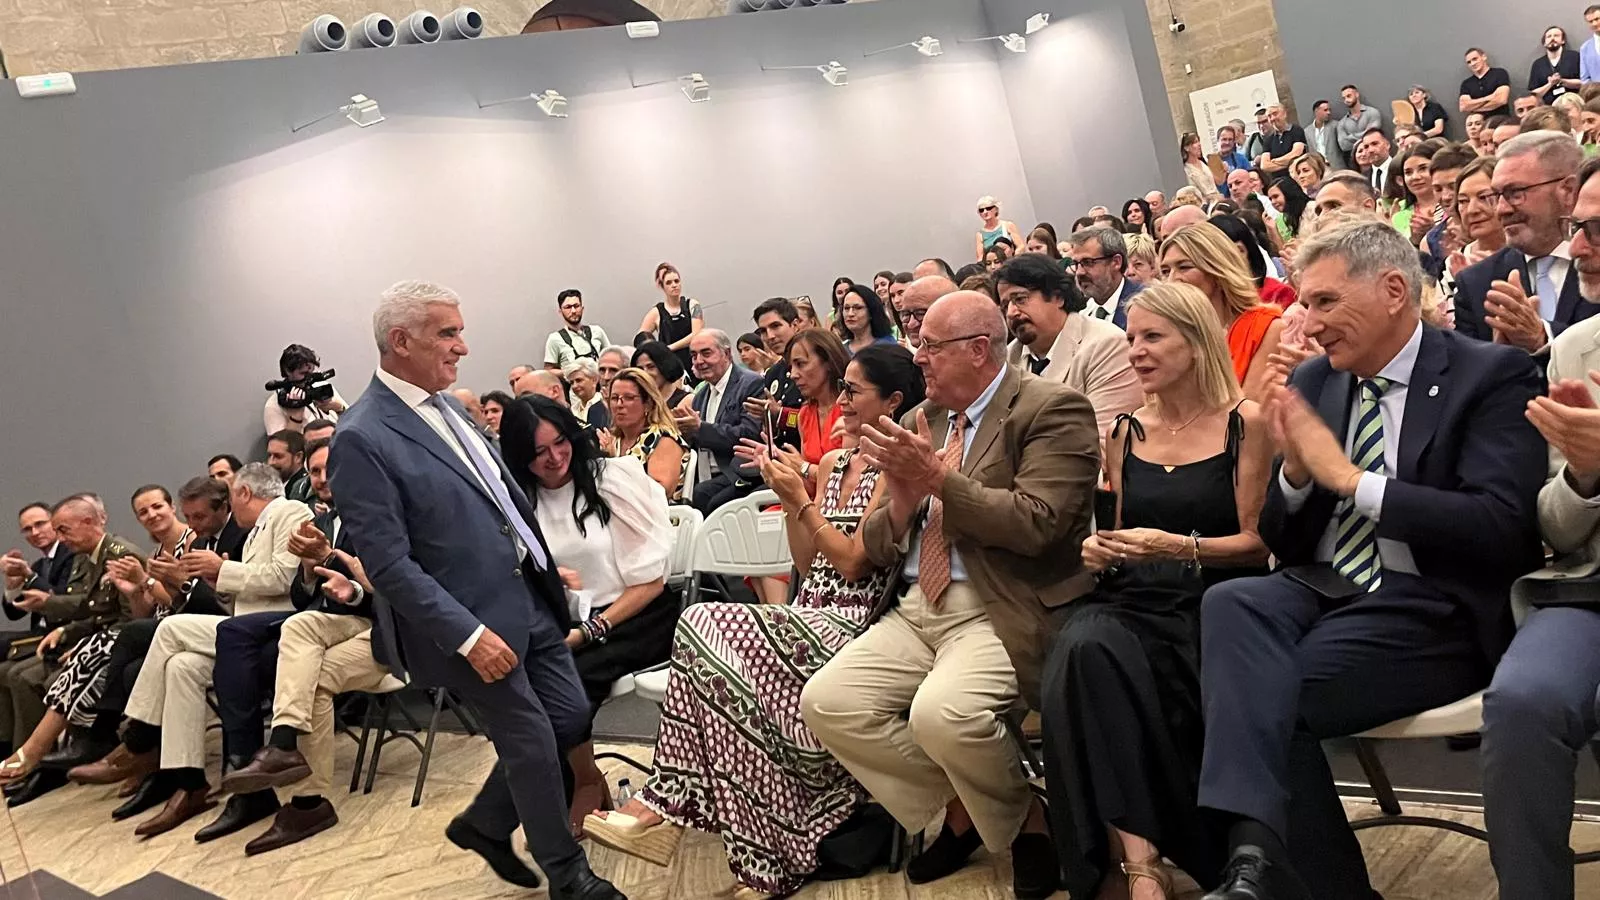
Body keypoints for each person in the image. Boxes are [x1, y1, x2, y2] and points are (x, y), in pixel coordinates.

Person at [1196, 219, 1546, 900]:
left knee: (1267, 697)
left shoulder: (1490, 374)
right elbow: (1282, 540)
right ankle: (1257, 862)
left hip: (1434, 604)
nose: (1308, 322)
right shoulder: (1316, 381)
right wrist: (1298, 476)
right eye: (1304, 302)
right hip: (1329, 589)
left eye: (1325, 301)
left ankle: (1257, 863)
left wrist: (1355, 483)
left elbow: (1502, 526)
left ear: (1392, 291)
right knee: (1229, 600)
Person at [585, 345, 923, 896]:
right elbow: (808, 564)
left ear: (892, 402)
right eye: (842, 388)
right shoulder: (834, 464)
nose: (841, 400)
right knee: (712, 664)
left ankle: (664, 806)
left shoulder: (896, 474)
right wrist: (794, 503)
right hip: (809, 610)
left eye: (853, 390)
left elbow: (854, 564)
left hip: (855, 619)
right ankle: (742, 836)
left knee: (700, 622)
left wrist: (800, 501)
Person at [324, 280, 623, 899]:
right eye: (448, 333)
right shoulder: (361, 436)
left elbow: (498, 506)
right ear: (401, 341)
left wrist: (543, 569)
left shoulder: (451, 408)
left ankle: (485, 823)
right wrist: (467, 636)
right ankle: (568, 875)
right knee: (531, 741)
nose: (462, 346)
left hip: (529, 602)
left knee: (569, 716)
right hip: (470, 623)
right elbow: (389, 565)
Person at [801, 291, 1099, 898]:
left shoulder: (1050, 408)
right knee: (829, 703)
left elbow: (1038, 524)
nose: (918, 358)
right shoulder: (926, 419)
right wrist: (903, 501)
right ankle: (1007, 812)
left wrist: (938, 478)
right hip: (916, 606)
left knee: (943, 715)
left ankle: (1011, 827)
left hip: (996, 606)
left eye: (931, 346)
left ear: (978, 349)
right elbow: (875, 544)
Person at [1041, 281, 1273, 900]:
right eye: (1131, 337)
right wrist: (1098, 550)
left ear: (1195, 344)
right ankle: (1141, 864)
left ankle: (1169, 856)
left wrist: (1177, 546)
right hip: (1133, 595)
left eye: (1152, 337)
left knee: (1110, 661)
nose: (1135, 351)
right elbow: (1120, 534)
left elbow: (1257, 546)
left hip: (1216, 599)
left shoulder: (1245, 423)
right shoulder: (1126, 431)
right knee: (1083, 649)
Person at [1478, 153, 1600, 900]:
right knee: (1522, 701)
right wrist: (1586, 475)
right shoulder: (1576, 349)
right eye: (1578, 227)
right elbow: (1553, 525)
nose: (1576, 246)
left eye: (1596, 231)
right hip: (1587, 588)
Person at [500, 396, 675, 838]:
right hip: (569, 617)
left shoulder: (612, 480)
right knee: (524, 677)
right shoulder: (520, 500)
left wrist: (589, 630)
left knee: (566, 675)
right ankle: (575, 778)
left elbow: (651, 582)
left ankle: (583, 781)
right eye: (539, 452)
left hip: (636, 615)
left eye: (560, 442)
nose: (554, 457)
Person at [214, 451, 392, 856]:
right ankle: (284, 748)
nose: (322, 477)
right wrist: (310, 571)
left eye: (331, 468)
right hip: (339, 625)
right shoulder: (320, 524)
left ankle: (307, 802)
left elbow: (403, 591)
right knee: (298, 625)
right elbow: (300, 596)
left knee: (310, 677)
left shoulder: (381, 516)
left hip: (388, 630)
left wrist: (356, 589)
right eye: (314, 471)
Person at [0, 496, 143, 799]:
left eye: (63, 530)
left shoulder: (119, 554)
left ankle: (46, 753)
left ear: (88, 522)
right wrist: (68, 631)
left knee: (50, 673)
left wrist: (77, 636)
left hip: (127, 641)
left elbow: (131, 620)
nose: (60, 538)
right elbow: (94, 610)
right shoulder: (89, 556)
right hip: (99, 638)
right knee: (16, 673)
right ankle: (34, 755)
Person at [1456, 131, 1597, 349]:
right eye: (1496, 196)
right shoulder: (1477, 284)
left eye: (1515, 193)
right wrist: (1497, 358)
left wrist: (1543, 337)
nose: (1501, 209)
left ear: (1568, 190)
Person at [997, 253, 1141, 438]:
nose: (1011, 313)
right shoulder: (1006, 359)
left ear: (1058, 297)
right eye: (1005, 305)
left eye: (1020, 299)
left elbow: (1101, 441)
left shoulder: (1107, 346)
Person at [1160, 222, 1286, 403]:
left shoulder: (1266, 327)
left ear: (1217, 269)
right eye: (1165, 271)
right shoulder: (1169, 334)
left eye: (1184, 267)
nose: (1172, 280)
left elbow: (1249, 412)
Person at [675, 329, 766, 514]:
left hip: (739, 472)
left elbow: (748, 435)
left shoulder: (751, 384)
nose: (699, 361)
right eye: (694, 356)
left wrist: (700, 428)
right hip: (704, 474)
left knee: (702, 496)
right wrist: (684, 430)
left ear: (727, 353)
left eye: (706, 353)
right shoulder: (701, 395)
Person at [0, 504, 75, 659]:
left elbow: (62, 600)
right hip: (38, 633)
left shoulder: (72, 555)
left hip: (62, 634)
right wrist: (12, 587)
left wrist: (30, 576)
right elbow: (14, 614)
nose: (35, 532)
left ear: (55, 523)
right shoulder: (39, 566)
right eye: (27, 529)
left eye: (40, 524)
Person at [605, 368, 689, 503]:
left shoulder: (663, 439)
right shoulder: (613, 441)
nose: (619, 404)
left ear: (648, 404)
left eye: (629, 398)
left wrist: (613, 464)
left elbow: (660, 492)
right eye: (614, 398)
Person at [746, 298, 806, 449]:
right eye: (763, 331)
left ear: (795, 325)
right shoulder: (773, 373)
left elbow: (818, 419)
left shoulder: (815, 364)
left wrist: (780, 414)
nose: (770, 336)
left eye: (776, 326)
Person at [637, 262, 704, 383]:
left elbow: (697, 334)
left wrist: (669, 348)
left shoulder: (692, 305)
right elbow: (641, 338)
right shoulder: (656, 312)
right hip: (670, 369)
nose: (674, 285)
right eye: (669, 283)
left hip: (695, 364)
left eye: (676, 281)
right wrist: (655, 352)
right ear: (662, 286)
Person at [264, 344, 347, 435]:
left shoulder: (322, 386)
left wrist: (336, 407)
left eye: (311, 372)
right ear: (288, 371)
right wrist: (296, 416)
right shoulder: (274, 406)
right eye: (303, 373)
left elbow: (352, 419)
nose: (308, 378)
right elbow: (282, 443)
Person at [1069, 226, 1144, 327]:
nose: (1079, 272)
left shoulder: (1143, 304)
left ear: (1116, 262)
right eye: (1076, 263)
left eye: (1088, 262)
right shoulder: (1082, 310)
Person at [545, 289, 611, 373]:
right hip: (572, 381)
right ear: (560, 311)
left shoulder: (597, 331)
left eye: (576, 306)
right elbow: (548, 371)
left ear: (582, 308)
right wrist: (571, 372)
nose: (573, 311)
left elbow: (612, 358)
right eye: (568, 307)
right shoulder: (555, 338)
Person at [838, 284, 899, 355]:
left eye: (858, 308)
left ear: (871, 311)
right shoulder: (840, 350)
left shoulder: (888, 346)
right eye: (846, 308)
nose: (850, 314)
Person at [1531, 26, 1582, 106]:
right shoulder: (1538, 64)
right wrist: (1550, 84)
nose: (1552, 38)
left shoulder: (1574, 57)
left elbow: (1584, 83)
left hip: (1574, 104)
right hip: (1548, 107)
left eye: (1556, 35)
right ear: (1544, 43)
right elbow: (1534, 94)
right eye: (1549, 36)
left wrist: (1562, 81)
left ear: (1563, 40)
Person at [630, 340, 690, 408]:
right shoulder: (639, 403)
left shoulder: (686, 401)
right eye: (640, 369)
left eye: (651, 367)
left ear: (666, 366)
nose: (645, 373)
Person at [1462, 46, 1515, 119]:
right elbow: (1464, 106)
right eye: (1469, 62)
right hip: (1478, 123)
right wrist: (1491, 97)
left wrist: (1473, 107)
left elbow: (1501, 100)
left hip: (1501, 121)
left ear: (1484, 57)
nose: (1472, 63)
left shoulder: (1499, 73)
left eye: (1475, 59)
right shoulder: (1466, 84)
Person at [1336, 85, 1384, 162]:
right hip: (1355, 162)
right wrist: (1364, 135)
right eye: (1344, 98)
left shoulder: (1372, 112)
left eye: (1349, 96)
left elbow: (1373, 135)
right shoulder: (1342, 123)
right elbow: (1344, 146)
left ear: (1357, 94)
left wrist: (1351, 137)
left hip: (1375, 157)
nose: (1346, 100)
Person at [266, 430, 313, 505]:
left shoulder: (304, 490)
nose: (271, 462)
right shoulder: (269, 487)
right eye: (269, 456)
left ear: (298, 457)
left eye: (278, 456)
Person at [1258, 105, 1306, 177]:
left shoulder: (1296, 130)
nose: (1272, 118)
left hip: (1298, 177)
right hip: (1278, 179)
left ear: (1284, 114)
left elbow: (1296, 154)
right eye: (1269, 116)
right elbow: (1264, 166)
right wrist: (1290, 163)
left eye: (1275, 114)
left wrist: (1276, 161)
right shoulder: (1268, 140)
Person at [974, 195, 1026, 260]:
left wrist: (1013, 259)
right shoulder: (980, 234)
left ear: (996, 209)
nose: (985, 212)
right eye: (981, 210)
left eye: (988, 208)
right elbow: (980, 257)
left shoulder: (1008, 225)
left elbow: (1021, 246)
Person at [563, 358, 609, 430]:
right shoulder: (573, 410)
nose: (574, 386)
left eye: (579, 380)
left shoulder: (606, 405)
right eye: (571, 383)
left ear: (594, 380)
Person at [1181, 133, 1223, 204]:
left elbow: (1218, 182)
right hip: (1204, 204)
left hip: (1218, 199)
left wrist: (1223, 170)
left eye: (1198, 141)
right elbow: (1194, 192)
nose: (1199, 144)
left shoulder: (1203, 163)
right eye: (1195, 142)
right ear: (1186, 148)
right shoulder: (1186, 169)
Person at [1267, 177, 1312, 242]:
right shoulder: (1289, 218)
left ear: (1289, 193)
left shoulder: (1311, 207)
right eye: (1270, 199)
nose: (1273, 202)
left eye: (1276, 196)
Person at [1303, 101, 1344, 171]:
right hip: (1319, 169)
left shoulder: (1335, 125)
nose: (1329, 112)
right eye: (1325, 110)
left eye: (1329, 110)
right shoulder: (1307, 131)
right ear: (1316, 111)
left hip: (1337, 168)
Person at [1214, 125, 1251, 193]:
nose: (1227, 142)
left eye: (1230, 139)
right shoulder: (1211, 162)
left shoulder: (1241, 159)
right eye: (1224, 139)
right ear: (1218, 140)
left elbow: (1250, 178)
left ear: (1234, 141)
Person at [1584, 4, 1600, 83]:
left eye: (1597, 19)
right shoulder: (1585, 48)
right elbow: (1584, 79)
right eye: (1590, 21)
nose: (1594, 23)